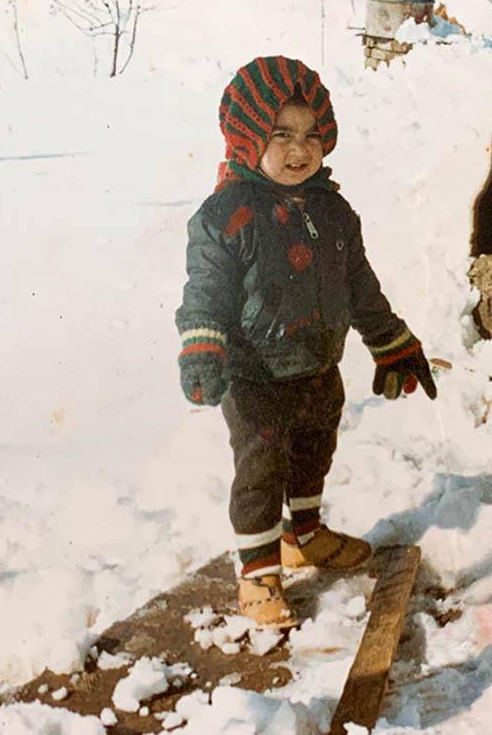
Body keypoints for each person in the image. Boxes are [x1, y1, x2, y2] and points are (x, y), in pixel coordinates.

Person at [175, 56, 437, 629]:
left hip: (319, 366)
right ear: (248, 140)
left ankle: (305, 534)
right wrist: (201, 345)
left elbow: (361, 287)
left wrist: (391, 342)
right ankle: (258, 571)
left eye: (311, 135)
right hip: (256, 376)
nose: (300, 150)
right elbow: (206, 292)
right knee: (262, 468)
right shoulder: (228, 215)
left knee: (315, 452)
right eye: (280, 135)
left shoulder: (333, 211)